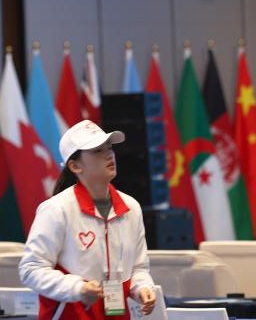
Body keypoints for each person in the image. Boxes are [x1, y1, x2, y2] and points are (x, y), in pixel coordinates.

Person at [19, 120, 156, 320]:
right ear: (75, 166)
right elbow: (31, 269)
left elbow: (139, 267)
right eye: (97, 150)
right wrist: (77, 288)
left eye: (109, 147)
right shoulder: (56, 209)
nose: (109, 154)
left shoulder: (131, 207)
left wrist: (142, 288)